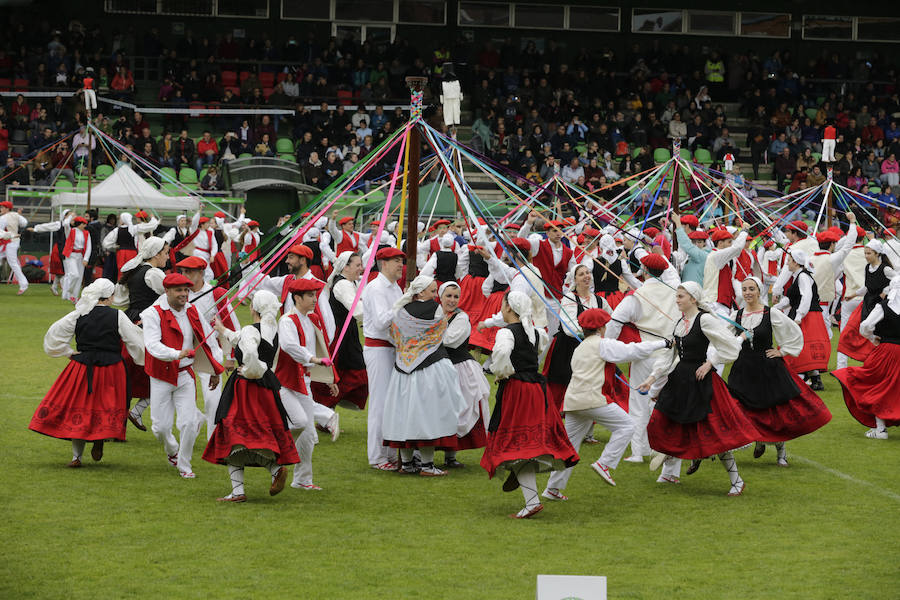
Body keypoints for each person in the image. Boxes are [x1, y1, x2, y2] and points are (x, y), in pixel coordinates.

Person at [639, 282, 759, 494]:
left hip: (700, 381)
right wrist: (651, 378)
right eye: (676, 296)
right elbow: (669, 356)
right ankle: (669, 471)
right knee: (662, 422)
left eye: (681, 296)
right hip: (679, 381)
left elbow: (730, 345)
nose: (677, 300)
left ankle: (736, 481)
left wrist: (710, 363)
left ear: (693, 299)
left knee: (713, 436)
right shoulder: (679, 323)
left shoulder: (704, 319)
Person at [542, 308, 670, 501]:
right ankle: (604, 464)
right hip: (592, 399)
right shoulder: (602, 344)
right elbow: (633, 350)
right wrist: (664, 343)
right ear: (601, 327)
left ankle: (552, 489)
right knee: (628, 425)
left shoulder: (580, 347)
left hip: (573, 402)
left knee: (569, 447)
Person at [480, 291, 579, 519]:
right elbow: (536, 355)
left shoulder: (506, 332)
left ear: (508, 308)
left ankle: (531, 500)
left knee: (517, 446)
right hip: (536, 389)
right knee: (523, 445)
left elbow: (502, 354)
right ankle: (526, 489)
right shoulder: (535, 332)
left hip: (518, 390)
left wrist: (502, 372)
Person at [718, 277, 831, 469]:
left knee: (774, 412)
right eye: (744, 289)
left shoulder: (771, 313)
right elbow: (722, 337)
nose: (747, 293)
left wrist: (783, 351)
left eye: (751, 289)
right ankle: (757, 438)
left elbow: (794, 331)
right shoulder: (736, 314)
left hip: (767, 367)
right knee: (742, 408)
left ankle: (781, 452)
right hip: (743, 369)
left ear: (759, 291)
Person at [29, 279, 144, 467]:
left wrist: (67, 352)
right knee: (105, 406)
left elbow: (54, 335)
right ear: (109, 297)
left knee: (79, 409)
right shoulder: (118, 316)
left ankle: (77, 457)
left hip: (82, 367)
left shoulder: (79, 314)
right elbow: (135, 342)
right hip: (111, 368)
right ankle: (98, 442)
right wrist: (142, 359)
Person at [203, 290, 300, 502]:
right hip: (266, 390)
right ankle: (273, 472)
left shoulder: (250, 330)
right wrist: (222, 329)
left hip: (246, 390)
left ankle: (240, 490)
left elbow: (250, 353)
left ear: (253, 308)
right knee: (254, 437)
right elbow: (241, 338)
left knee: (232, 435)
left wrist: (248, 370)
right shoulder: (271, 330)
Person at [142, 273, 224, 478]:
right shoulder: (152, 313)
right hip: (160, 375)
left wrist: (216, 369)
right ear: (167, 291)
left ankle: (184, 465)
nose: (184, 294)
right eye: (179, 290)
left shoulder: (193, 310)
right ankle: (172, 450)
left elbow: (209, 340)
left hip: (185, 374)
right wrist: (175, 354)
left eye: (186, 290)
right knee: (160, 428)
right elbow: (152, 345)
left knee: (186, 423)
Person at [383, 276, 467, 476]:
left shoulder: (400, 312)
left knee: (404, 414)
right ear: (420, 293)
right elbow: (440, 331)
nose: (435, 294)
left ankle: (408, 463)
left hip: (403, 368)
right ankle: (427, 465)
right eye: (432, 291)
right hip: (431, 367)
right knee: (429, 414)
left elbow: (394, 336)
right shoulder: (436, 309)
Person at [604, 253, 681, 463]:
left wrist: (605, 347)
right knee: (663, 401)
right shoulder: (675, 292)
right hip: (671, 354)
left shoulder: (637, 296)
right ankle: (660, 446)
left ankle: (639, 451)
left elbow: (615, 322)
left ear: (644, 271)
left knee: (639, 402)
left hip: (646, 352)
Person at [275, 278, 339, 490]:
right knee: (300, 423)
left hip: (304, 380)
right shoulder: (287, 320)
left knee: (309, 435)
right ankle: (275, 454)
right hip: (285, 382)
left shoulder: (311, 319)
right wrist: (312, 359)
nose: (314, 299)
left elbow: (321, 350)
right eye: (310, 295)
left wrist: (330, 378)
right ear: (297, 298)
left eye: (315, 295)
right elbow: (289, 346)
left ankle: (302, 480)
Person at [176, 256, 241, 439]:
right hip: (183, 352)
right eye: (182, 271)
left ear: (201, 273)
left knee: (212, 400)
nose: (185, 275)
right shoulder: (180, 292)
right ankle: (195, 417)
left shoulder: (217, 293)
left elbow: (232, 325)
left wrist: (231, 357)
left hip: (210, 352)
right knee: (177, 395)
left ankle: (213, 438)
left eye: (189, 271)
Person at [832, 276, 900, 439]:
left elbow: (865, 326)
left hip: (886, 351)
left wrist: (872, 338)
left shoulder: (883, 307)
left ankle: (881, 428)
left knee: (877, 386)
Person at [113, 236, 168, 430]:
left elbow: (119, 300)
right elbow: (170, 296)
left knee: (129, 371)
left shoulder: (135, 271)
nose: (167, 258)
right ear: (156, 254)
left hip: (130, 319)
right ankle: (136, 411)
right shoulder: (153, 274)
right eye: (166, 253)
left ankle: (121, 420)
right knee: (158, 369)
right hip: (147, 322)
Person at [543, 263, 612, 412]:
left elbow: (611, 320)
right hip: (568, 348)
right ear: (574, 279)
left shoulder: (599, 301)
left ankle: (587, 432)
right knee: (567, 385)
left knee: (591, 386)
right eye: (581, 274)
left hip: (592, 348)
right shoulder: (569, 298)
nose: (586, 276)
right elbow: (569, 327)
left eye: (588, 273)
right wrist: (592, 334)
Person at [361, 247, 405, 470]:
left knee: (391, 402)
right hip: (378, 349)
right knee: (379, 403)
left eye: (401, 261)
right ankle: (377, 456)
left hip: (392, 348)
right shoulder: (377, 288)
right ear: (384, 263)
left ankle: (389, 452)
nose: (400, 265)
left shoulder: (395, 288)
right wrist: (402, 305)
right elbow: (380, 322)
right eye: (396, 261)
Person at [437, 281, 490, 468]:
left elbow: (450, 341)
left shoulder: (461, 318)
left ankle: (451, 456)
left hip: (459, 367)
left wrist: (427, 335)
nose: (452, 300)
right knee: (440, 409)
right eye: (449, 296)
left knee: (459, 409)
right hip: (439, 367)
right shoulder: (435, 313)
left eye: (456, 297)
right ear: (440, 296)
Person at [312, 251, 368, 411]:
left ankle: (328, 412)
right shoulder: (342, 284)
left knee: (349, 374)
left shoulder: (350, 283)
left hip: (347, 333)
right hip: (340, 336)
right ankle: (326, 412)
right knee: (350, 374)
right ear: (346, 267)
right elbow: (356, 310)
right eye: (357, 265)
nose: (361, 268)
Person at [773, 249, 833, 390]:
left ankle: (806, 378)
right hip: (806, 314)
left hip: (808, 315)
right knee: (802, 347)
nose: (787, 263)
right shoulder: (798, 276)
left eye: (789, 260)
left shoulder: (803, 277)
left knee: (802, 346)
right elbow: (793, 298)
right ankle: (812, 379)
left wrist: (799, 316)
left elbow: (807, 296)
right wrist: (776, 307)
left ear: (795, 262)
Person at [838, 239, 896, 369]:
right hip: (868, 303)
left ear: (877, 254)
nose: (866, 256)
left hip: (881, 304)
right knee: (861, 330)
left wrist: (885, 291)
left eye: (869, 253)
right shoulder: (867, 267)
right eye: (865, 253)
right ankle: (870, 360)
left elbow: (897, 281)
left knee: (879, 332)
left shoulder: (885, 269)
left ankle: (878, 362)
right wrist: (853, 295)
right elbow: (867, 287)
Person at [60, 216, 92, 302]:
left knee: (79, 278)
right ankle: (69, 290)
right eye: (83, 224)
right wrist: (71, 216)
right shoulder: (71, 231)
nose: (85, 225)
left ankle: (74, 297)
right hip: (70, 255)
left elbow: (89, 247)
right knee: (75, 274)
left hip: (80, 256)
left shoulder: (86, 233)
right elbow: (66, 223)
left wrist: (86, 259)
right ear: (78, 224)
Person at [0, 201, 29, 295]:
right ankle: (24, 284)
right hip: (13, 241)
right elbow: (24, 223)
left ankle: (24, 284)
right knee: (13, 262)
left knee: (13, 263)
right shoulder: (16, 215)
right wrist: (17, 217)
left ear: (7, 209)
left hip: (8, 242)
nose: (1, 209)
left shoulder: (3, 218)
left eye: (2, 207)